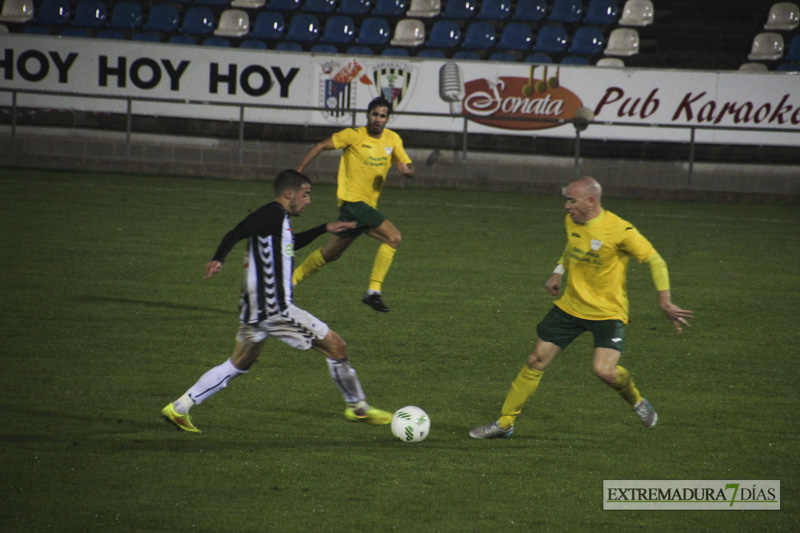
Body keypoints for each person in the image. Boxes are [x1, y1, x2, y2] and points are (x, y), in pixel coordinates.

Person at [161, 170, 392, 433]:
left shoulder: (279, 222)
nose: (308, 201)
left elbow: (290, 243)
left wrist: (324, 229)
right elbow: (239, 230)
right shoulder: (271, 214)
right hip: (274, 309)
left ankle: (179, 408)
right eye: (305, 195)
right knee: (336, 347)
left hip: (254, 310)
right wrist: (219, 258)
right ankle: (358, 407)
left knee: (237, 364)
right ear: (288, 194)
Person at [470, 176, 694, 439]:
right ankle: (505, 423)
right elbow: (573, 245)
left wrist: (664, 301)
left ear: (590, 201)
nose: (566, 207)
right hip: (570, 307)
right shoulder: (573, 221)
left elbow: (655, 261)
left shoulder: (620, 230)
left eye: (571, 200)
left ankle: (637, 402)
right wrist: (558, 271)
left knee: (605, 371)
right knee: (535, 360)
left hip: (607, 313)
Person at [292, 96, 415, 313]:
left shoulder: (393, 140)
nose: (378, 119)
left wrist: (407, 171)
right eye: (375, 114)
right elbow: (321, 146)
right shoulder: (353, 135)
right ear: (368, 115)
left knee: (331, 254)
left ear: (387, 119)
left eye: (382, 115)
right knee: (393, 237)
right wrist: (299, 170)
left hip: (367, 207)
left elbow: (408, 165)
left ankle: (289, 282)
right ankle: (373, 292)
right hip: (352, 203)